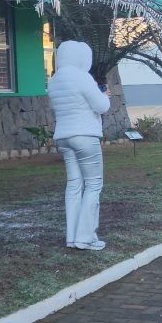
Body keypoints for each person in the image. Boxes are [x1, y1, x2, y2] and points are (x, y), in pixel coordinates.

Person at [47, 40, 111, 251]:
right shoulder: (82, 77)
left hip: (63, 137)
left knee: (74, 185)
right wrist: (104, 95)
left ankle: (71, 237)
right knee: (93, 185)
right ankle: (85, 237)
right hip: (85, 135)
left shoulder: (55, 79)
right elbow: (101, 106)